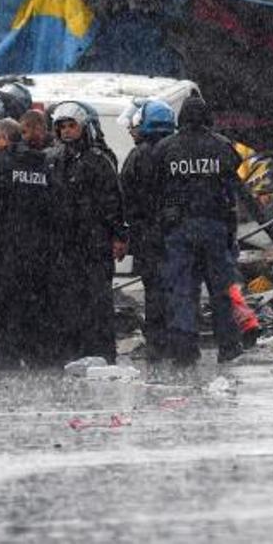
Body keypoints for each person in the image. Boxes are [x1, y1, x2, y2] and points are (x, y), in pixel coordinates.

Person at [152, 96, 245, 365]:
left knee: (182, 289)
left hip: (179, 229)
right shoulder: (223, 147)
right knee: (221, 289)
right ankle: (228, 346)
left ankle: (184, 348)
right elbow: (231, 188)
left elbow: (156, 190)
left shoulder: (165, 149)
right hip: (215, 227)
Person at [0, 118, 62, 366]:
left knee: (7, 300)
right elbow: (56, 201)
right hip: (39, 245)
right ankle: (38, 353)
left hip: (7, 245)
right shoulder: (40, 162)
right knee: (37, 298)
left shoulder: (1, 163)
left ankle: (10, 354)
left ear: (3, 139)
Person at [50, 102, 126, 363]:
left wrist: (118, 235)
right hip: (66, 240)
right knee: (69, 298)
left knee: (97, 298)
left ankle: (102, 352)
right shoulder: (57, 159)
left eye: (72, 126)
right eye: (62, 127)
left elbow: (112, 200)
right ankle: (74, 351)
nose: (67, 132)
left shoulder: (98, 160)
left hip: (94, 239)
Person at [119, 100, 177, 361]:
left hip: (147, 234)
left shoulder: (138, 155)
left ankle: (156, 343)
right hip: (176, 232)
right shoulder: (176, 150)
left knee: (153, 289)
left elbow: (125, 196)